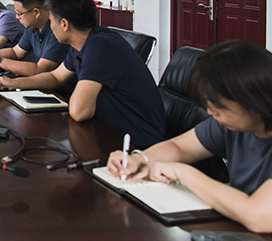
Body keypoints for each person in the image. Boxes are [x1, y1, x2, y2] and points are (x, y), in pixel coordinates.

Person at [107, 40, 272, 234]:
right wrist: (139, 160)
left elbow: (259, 217)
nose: (211, 113)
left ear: (254, 101)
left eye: (220, 107)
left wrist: (183, 172)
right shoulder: (232, 125)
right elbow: (180, 147)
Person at [0, 0, 165, 149]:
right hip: (107, 133)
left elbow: (79, 112)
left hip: (137, 144)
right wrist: (12, 83)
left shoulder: (100, 47)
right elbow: (55, 77)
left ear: (64, 24)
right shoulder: (81, 44)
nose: (50, 26)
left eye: (51, 21)